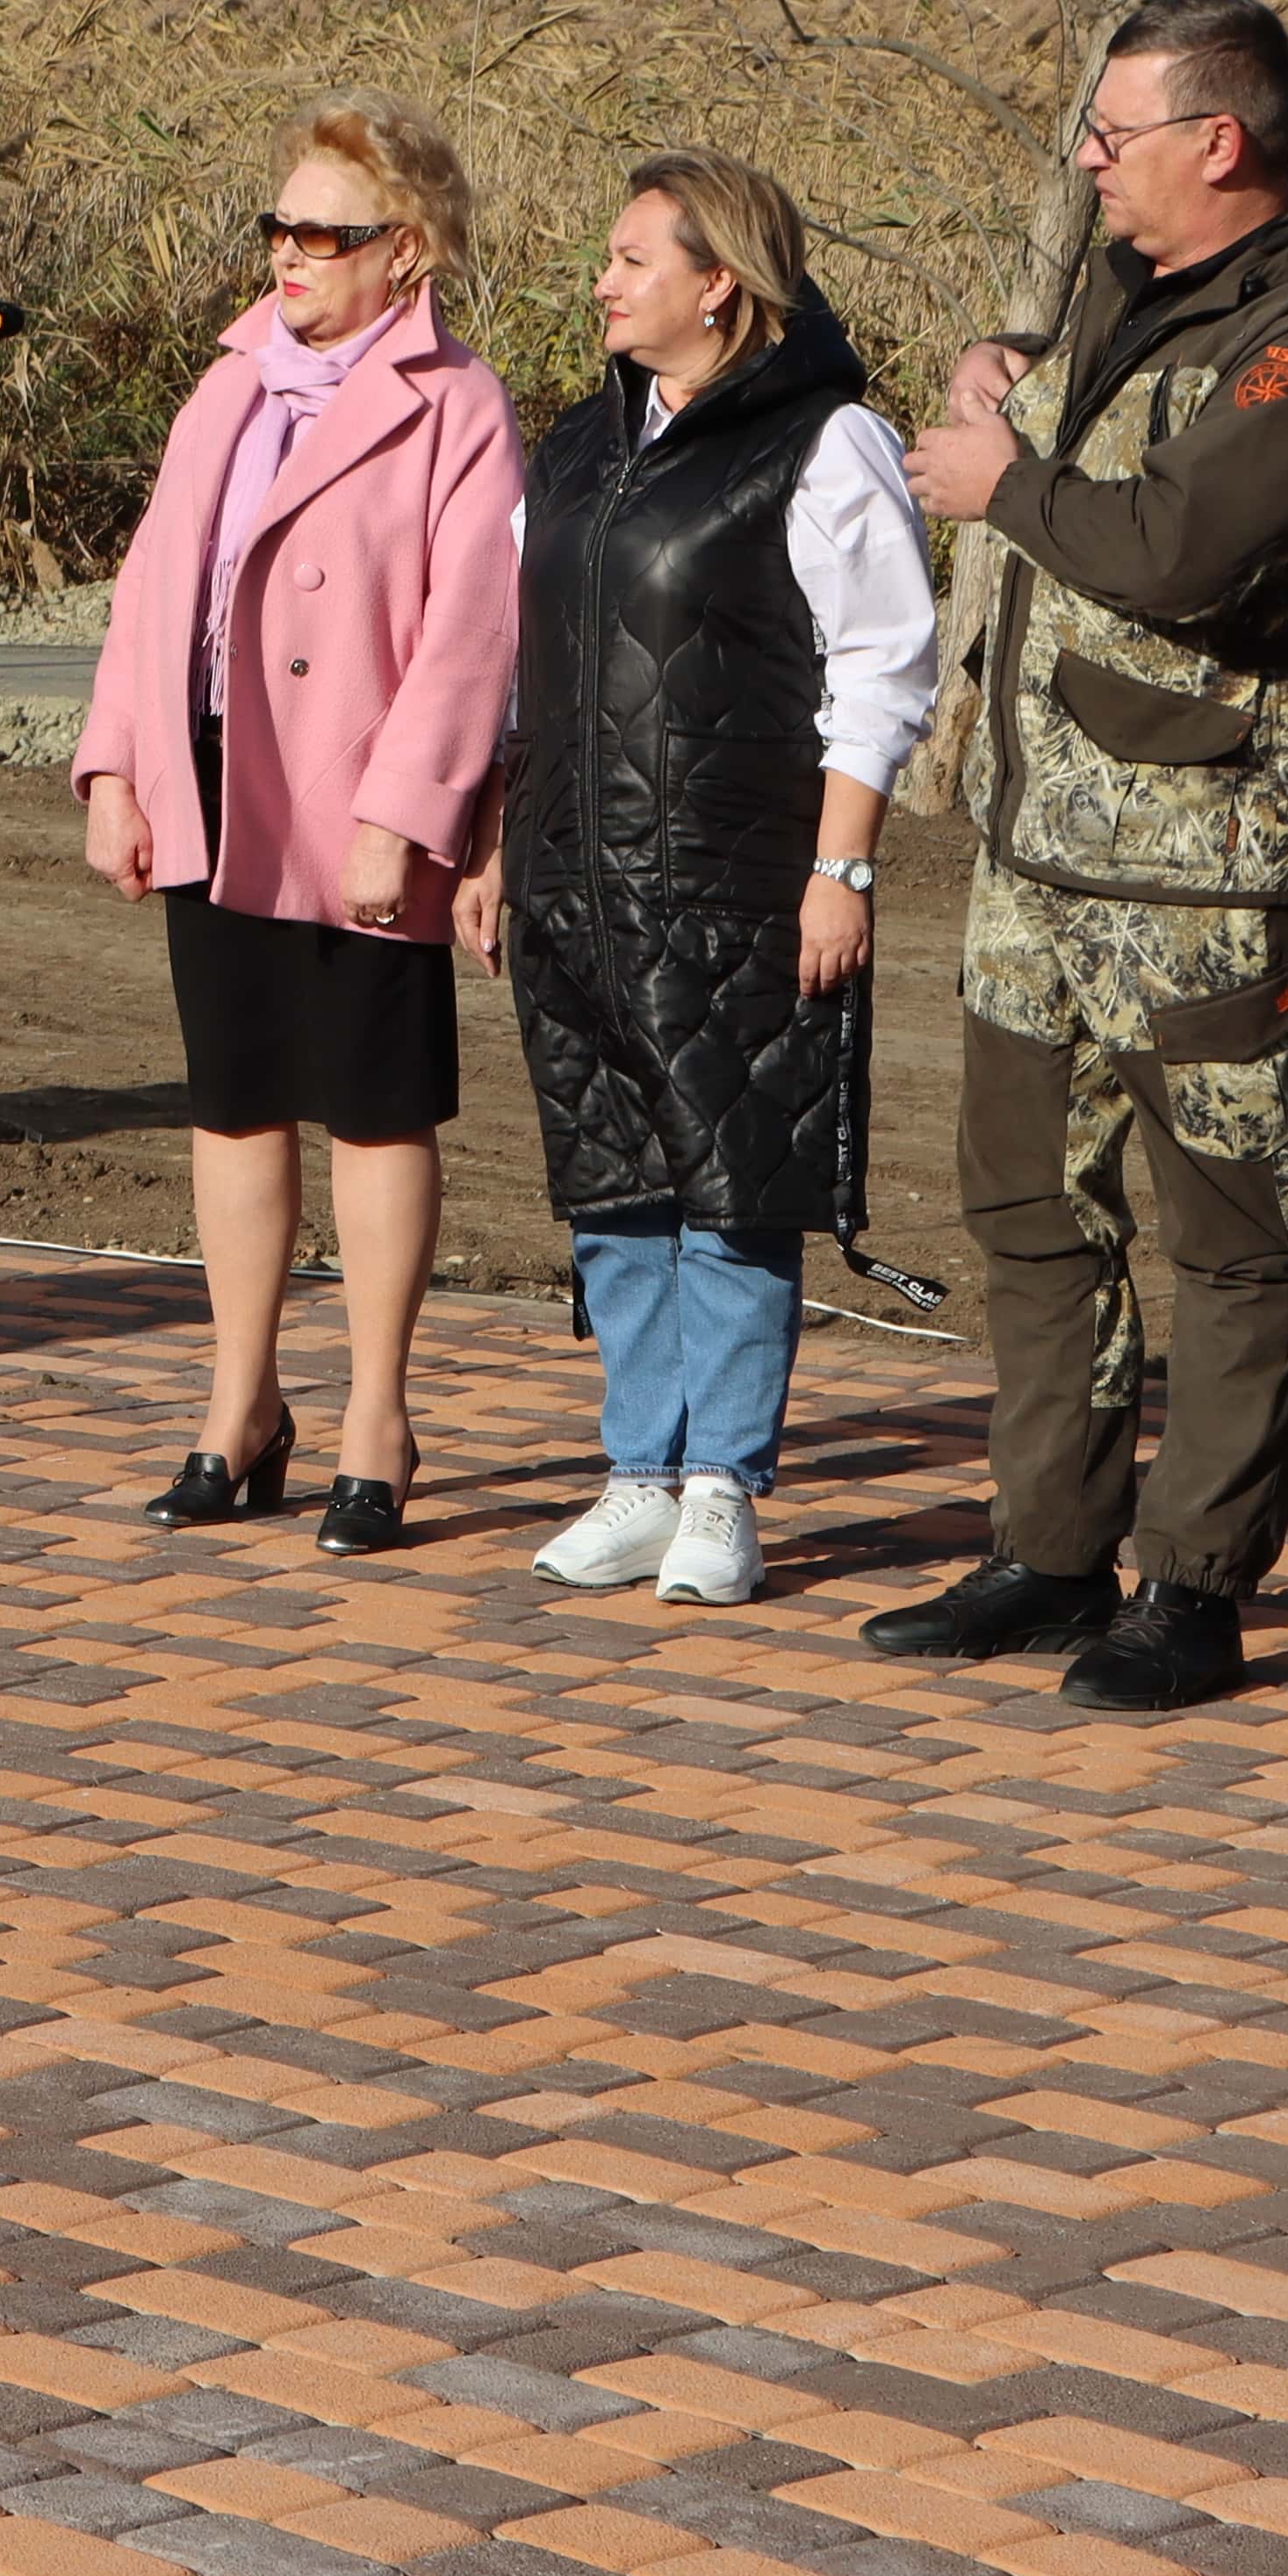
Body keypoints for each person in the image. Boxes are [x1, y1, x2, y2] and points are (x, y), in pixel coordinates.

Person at [876, 0, 1288, 1711]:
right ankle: (1053, 1547)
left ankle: (1196, 1584)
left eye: (1115, 136)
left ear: (1223, 142)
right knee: (1028, 1201)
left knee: (1231, 1231)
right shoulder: (1137, 273)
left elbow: (1185, 541)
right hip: (1041, 841)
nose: (1089, 162)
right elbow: (1093, 438)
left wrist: (997, 479)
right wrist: (1014, 388)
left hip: (1206, 857)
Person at [465, 155, 939, 1611]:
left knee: (734, 1177)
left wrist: (838, 867)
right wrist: (494, 843)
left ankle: (725, 1483)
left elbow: (884, 665)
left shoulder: (822, 444)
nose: (601, 280)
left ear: (716, 281)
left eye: (630, 258)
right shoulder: (574, 452)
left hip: (734, 880)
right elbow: (518, 662)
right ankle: (638, 1477)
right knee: (615, 1179)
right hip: (572, 880)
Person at [76, 97, 527, 1551]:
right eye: (277, 228)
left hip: (356, 800)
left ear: (405, 251)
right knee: (236, 1099)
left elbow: (478, 633)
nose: (287, 255)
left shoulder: (457, 403)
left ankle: (378, 1417)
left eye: (321, 235)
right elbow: (155, 587)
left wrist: (409, 814)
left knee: (377, 1108)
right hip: (219, 779)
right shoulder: (226, 383)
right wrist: (118, 769)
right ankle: (239, 1404)